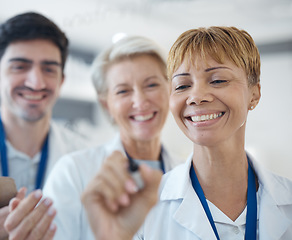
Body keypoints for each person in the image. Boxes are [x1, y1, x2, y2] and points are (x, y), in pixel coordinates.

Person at [81, 26, 292, 240]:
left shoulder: (288, 201)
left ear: (254, 94)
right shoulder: (143, 210)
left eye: (218, 80)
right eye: (182, 86)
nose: (196, 96)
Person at [3, 35, 178, 239]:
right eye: (123, 91)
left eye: (151, 85)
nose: (140, 101)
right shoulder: (73, 172)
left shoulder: (188, 173)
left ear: (169, 90)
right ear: (106, 105)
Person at [0, 12, 85, 240]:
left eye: (49, 68)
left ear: (61, 81)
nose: (36, 82)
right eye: (20, 67)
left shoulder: (86, 160)